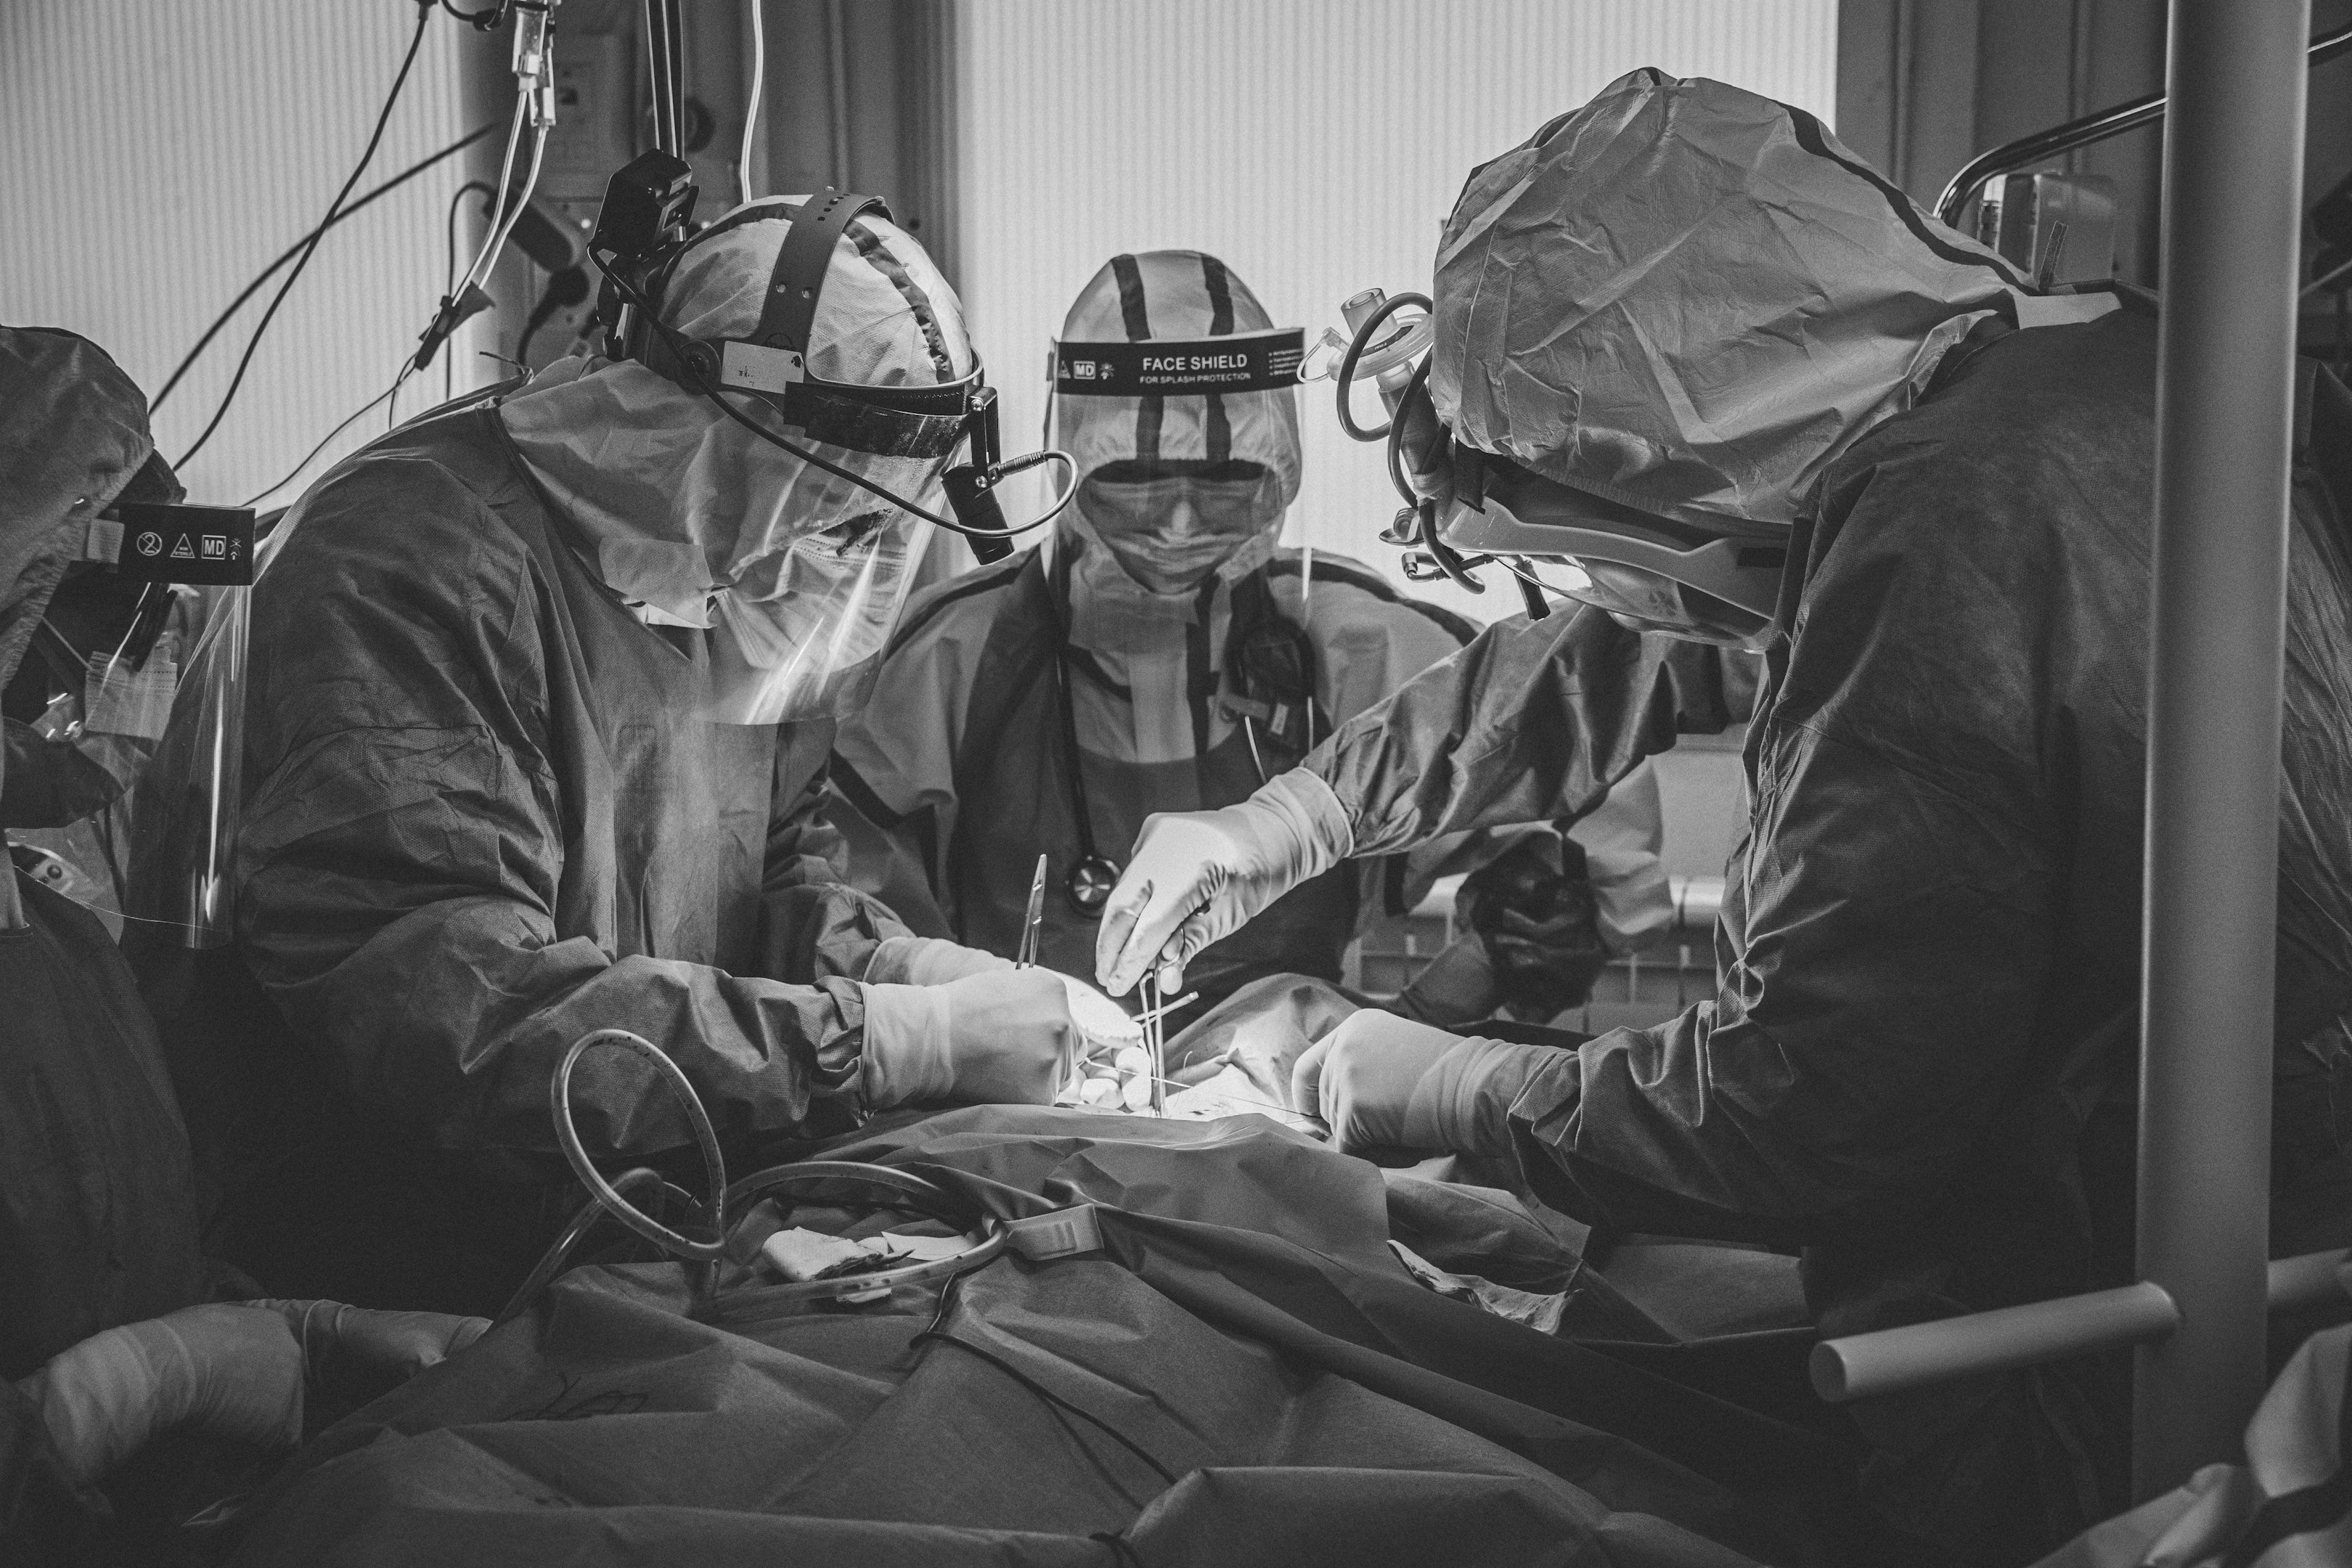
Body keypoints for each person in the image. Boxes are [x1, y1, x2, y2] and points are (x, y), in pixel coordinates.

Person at [1093, 70, 2352, 1564]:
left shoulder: (1944, 533)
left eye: (1555, 552)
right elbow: (1634, 629)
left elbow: (1809, 1116)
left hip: (2115, 1336)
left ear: (1644, 471)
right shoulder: (2029, 382)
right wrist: (1292, 815)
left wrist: (1435, 1086)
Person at [158, 197, 1081, 1318]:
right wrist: (878, 1045)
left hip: (639, 1231)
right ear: (702, 432)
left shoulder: (742, 566)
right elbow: (455, 1015)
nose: (845, 557)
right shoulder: (408, 562)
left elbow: (765, 879)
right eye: (826, 509)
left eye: (867, 520)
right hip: (402, 1276)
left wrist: (902, 973)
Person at [830, 248, 1657, 1030]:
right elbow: (841, 910)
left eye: (1227, 484)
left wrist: (1419, 1021)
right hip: (1011, 1110)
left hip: (1288, 1104)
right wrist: (951, 1035)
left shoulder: (1354, 639)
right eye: (1138, 482)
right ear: (1071, 467)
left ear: (1282, 470)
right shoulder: (950, 656)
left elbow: (1582, 759)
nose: (1183, 524)